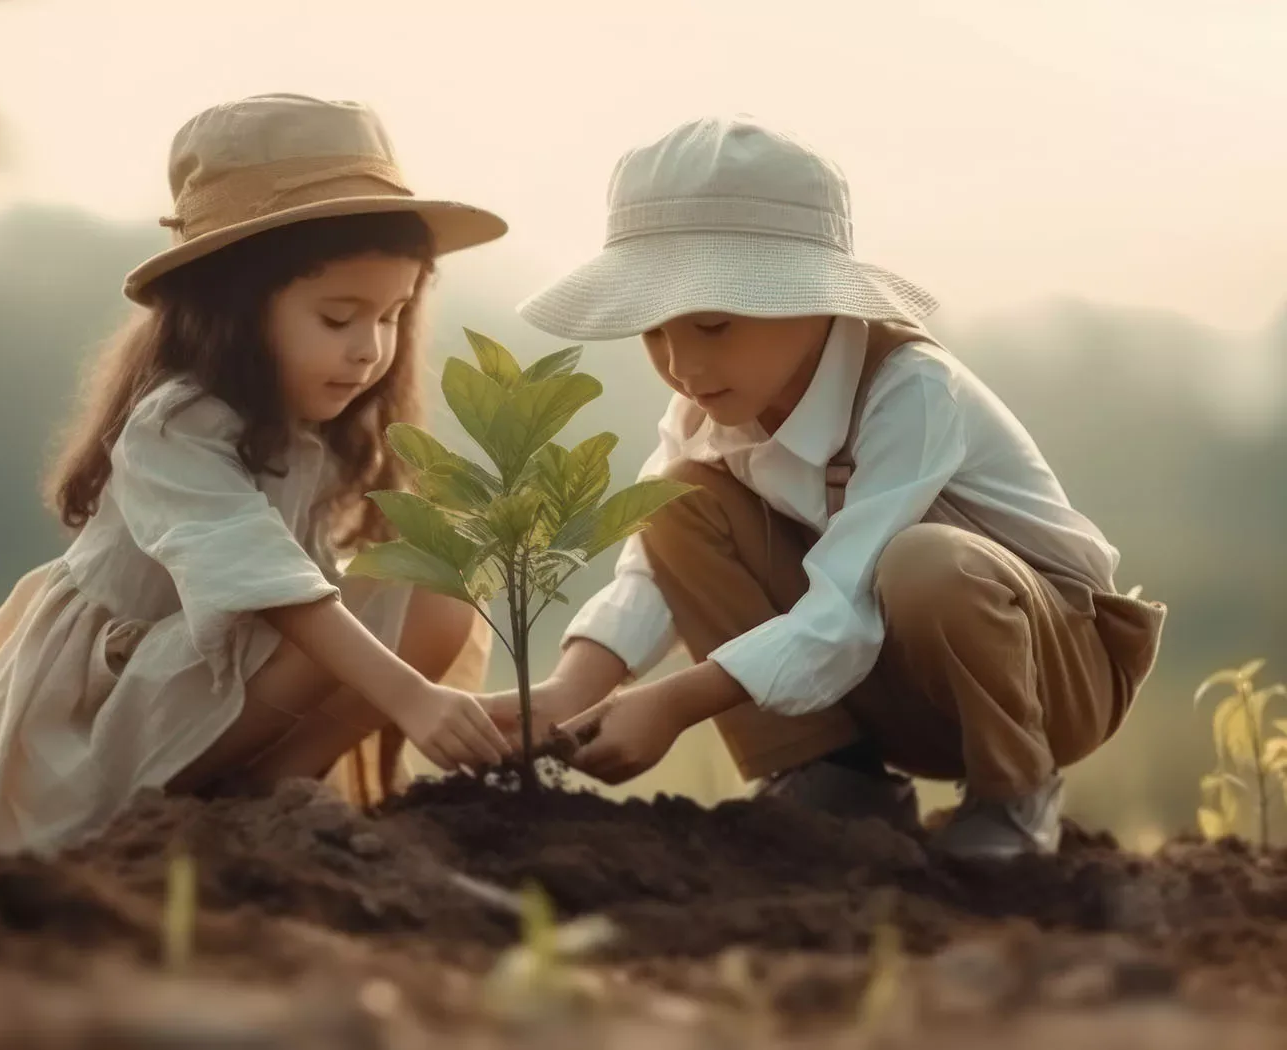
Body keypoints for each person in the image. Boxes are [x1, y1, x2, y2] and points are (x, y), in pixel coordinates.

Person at [0, 93, 511, 899]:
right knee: (356, 614)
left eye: (392, 316)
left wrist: (502, 709)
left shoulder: (305, 432)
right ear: (233, 306)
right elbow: (272, 587)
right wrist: (409, 695)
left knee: (437, 585)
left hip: (221, 684)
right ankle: (236, 796)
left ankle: (271, 791)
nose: (370, 349)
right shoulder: (177, 425)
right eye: (339, 318)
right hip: (114, 708)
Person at [494, 114, 1166, 859]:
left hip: (1048, 678)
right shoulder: (706, 409)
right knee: (674, 502)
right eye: (655, 331)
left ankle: (1015, 794)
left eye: (713, 325)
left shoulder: (910, 391)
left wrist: (676, 703)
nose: (683, 366)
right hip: (884, 687)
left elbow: (845, 604)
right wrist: (567, 693)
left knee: (925, 562)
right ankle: (830, 775)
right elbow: (650, 574)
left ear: (812, 298)